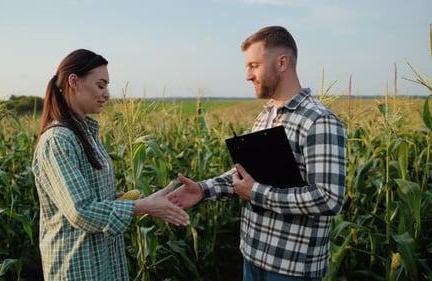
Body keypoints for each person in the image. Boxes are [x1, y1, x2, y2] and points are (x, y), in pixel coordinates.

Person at [168, 26, 347, 281]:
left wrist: (256, 193)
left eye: (254, 65)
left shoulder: (319, 121)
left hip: (291, 269)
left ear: (282, 62)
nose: (247, 75)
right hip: (252, 256)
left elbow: (328, 198)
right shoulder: (266, 114)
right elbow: (247, 175)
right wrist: (203, 189)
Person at [32, 49, 190, 280]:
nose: (107, 94)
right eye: (100, 85)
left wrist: (135, 200)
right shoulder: (58, 140)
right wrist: (143, 207)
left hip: (102, 262)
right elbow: (80, 210)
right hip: (78, 266)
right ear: (73, 81)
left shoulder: (86, 134)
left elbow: (93, 198)